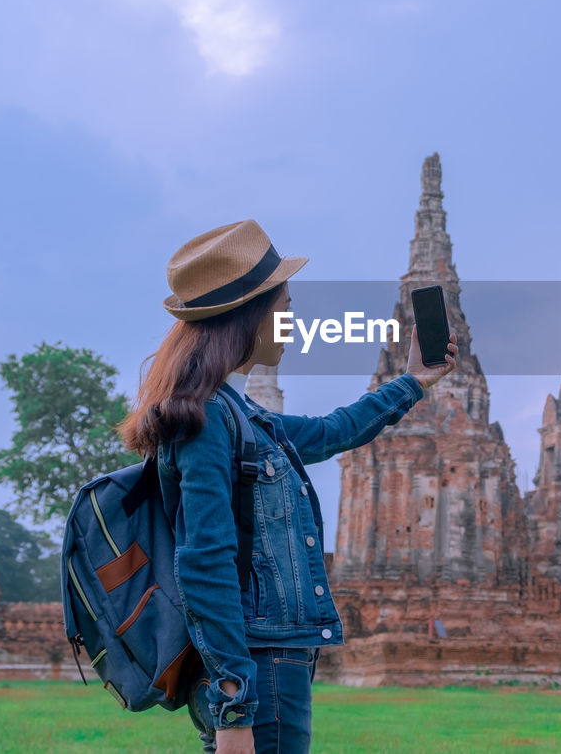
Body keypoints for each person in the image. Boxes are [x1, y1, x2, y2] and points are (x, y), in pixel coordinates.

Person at [119, 219, 457, 754]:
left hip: (275, 658)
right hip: (257, 665)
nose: (291, 321)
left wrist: (413, 380)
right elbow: (205, 563)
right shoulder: (204, 422)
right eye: (285, 308)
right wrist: (234, 708)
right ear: (250, 318)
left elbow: (332, 431)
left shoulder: (243, 416)